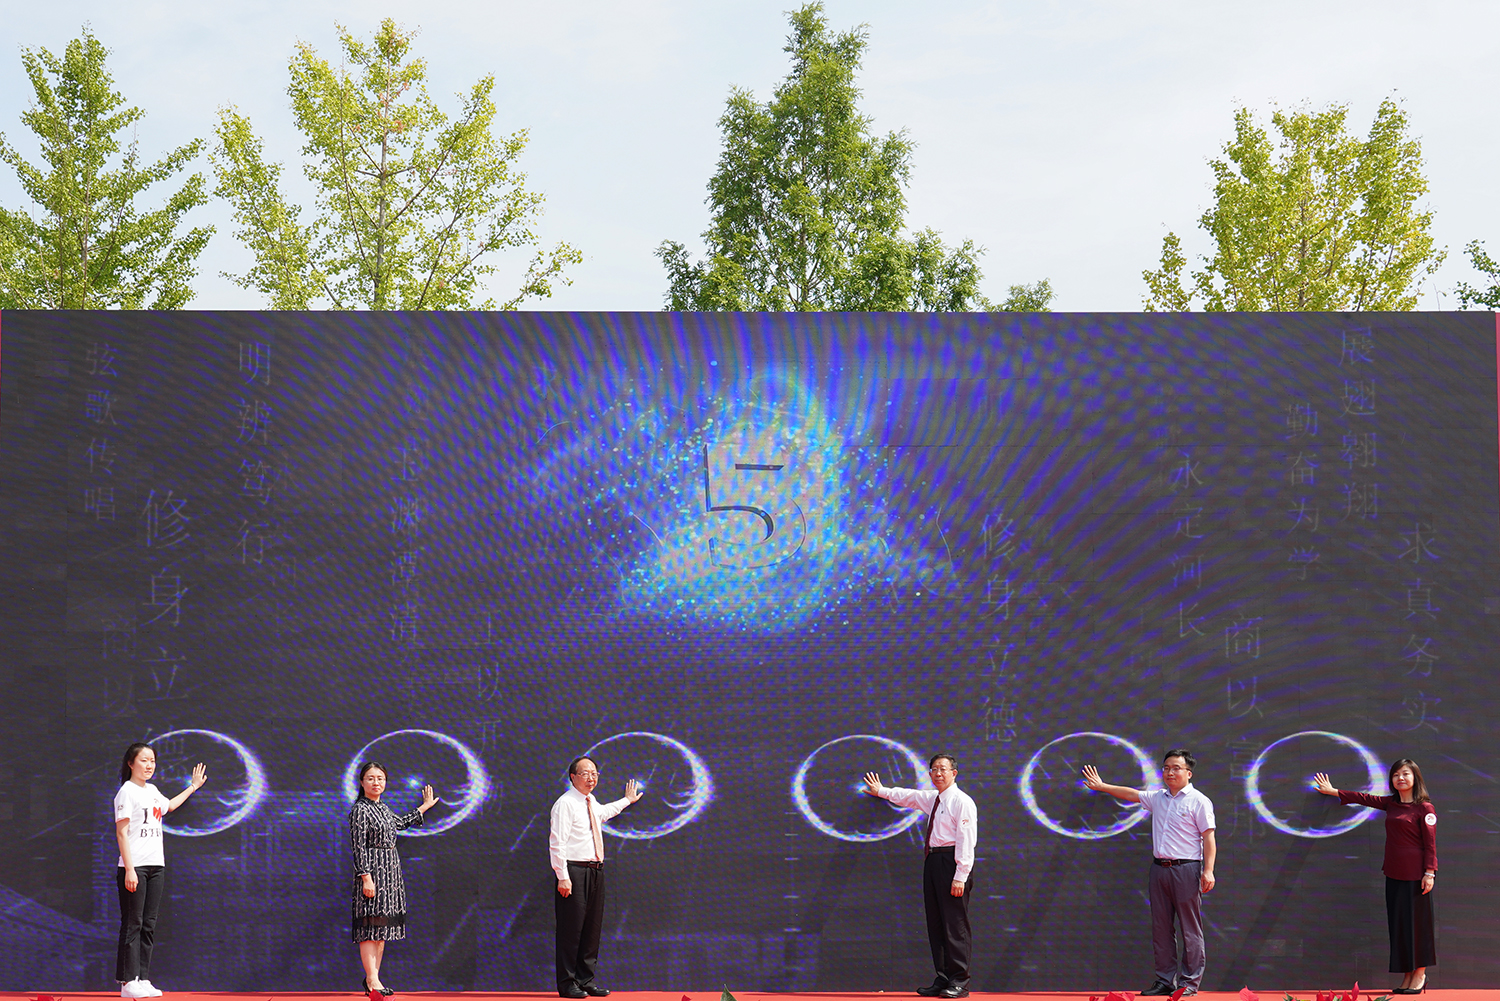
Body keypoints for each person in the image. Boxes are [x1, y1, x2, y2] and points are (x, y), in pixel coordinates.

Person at [1082, 749, 1216, 997]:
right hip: (1159, 869)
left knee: (1190, 928)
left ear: (1189, 773)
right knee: (1161, 927)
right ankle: (1165, 980)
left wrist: (1208, 870)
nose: (1170, 772)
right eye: (1166, 768)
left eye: (1176, 768)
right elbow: (1131, 794)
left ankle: (1189, 983)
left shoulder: (1199, 800)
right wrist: (1102, 786)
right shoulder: (1158, 798)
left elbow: (1209, 837)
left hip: (1187, 869)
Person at [1313, 759, 1437, 994]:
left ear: (1415, 778)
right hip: (1394, 874)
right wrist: (1334, 791)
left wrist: (1429, 872)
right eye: (1396, 775)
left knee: (1418, 927)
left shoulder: (1425, 808)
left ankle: (1420, 974)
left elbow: (1430, 845)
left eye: (1405, 774)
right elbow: (1364, 798)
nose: (1400, 778)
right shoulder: (1391, 804)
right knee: (1399, 926)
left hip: (1417, 877)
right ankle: (1407, 974)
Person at [863, 754, 979, 999]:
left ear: (954, 773)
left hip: (952, 863)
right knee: (936, 923)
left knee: (954, 924)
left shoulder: (962, 801)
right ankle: (943, 977)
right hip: (933, 861)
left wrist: (960, 875)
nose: (938, 773)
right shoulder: (933, 799)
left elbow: (967, 841)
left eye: (943, 769)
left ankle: (960, 981)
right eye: (934, 769)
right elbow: (908, 796)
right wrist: (881, 791)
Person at [113, 741, 207, 999]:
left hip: (156, 866)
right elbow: (121, 833)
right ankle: (127, 982)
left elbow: (169, 806)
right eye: (143, 760)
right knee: (133, 923)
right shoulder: (126, 792)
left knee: (149, 924)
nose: (149, 765)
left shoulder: (153, 790)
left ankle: (142, 978)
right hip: (135, 867)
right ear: (131, 763)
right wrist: (129, 869)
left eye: (152, 761)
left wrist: (193, 787)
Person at [549, 756, 642, 999]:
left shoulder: (590, 801)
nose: (591, 778)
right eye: (585, 773)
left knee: (591, 928)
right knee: (571, 929)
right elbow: (557, 843)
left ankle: (585, 980)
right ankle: (567, 984)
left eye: (594, 774)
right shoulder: (565, 803)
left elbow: (603, 813)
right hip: (574, 872)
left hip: (595, 870)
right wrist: (563, 876)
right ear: (573, 777)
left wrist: (627, 800)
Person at [349, 760, 438, 996]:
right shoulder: (360, 810)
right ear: (362, 782)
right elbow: (358, 847)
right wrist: (366, 877)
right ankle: (372, 980)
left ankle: (374, 980)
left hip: (390, 873)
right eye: (371, 778)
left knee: (381, 930)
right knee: (370, 927)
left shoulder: (383, 808)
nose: (376, 782)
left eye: (380, 778)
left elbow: (401, 824)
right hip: (372, 872)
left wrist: (423, 807)